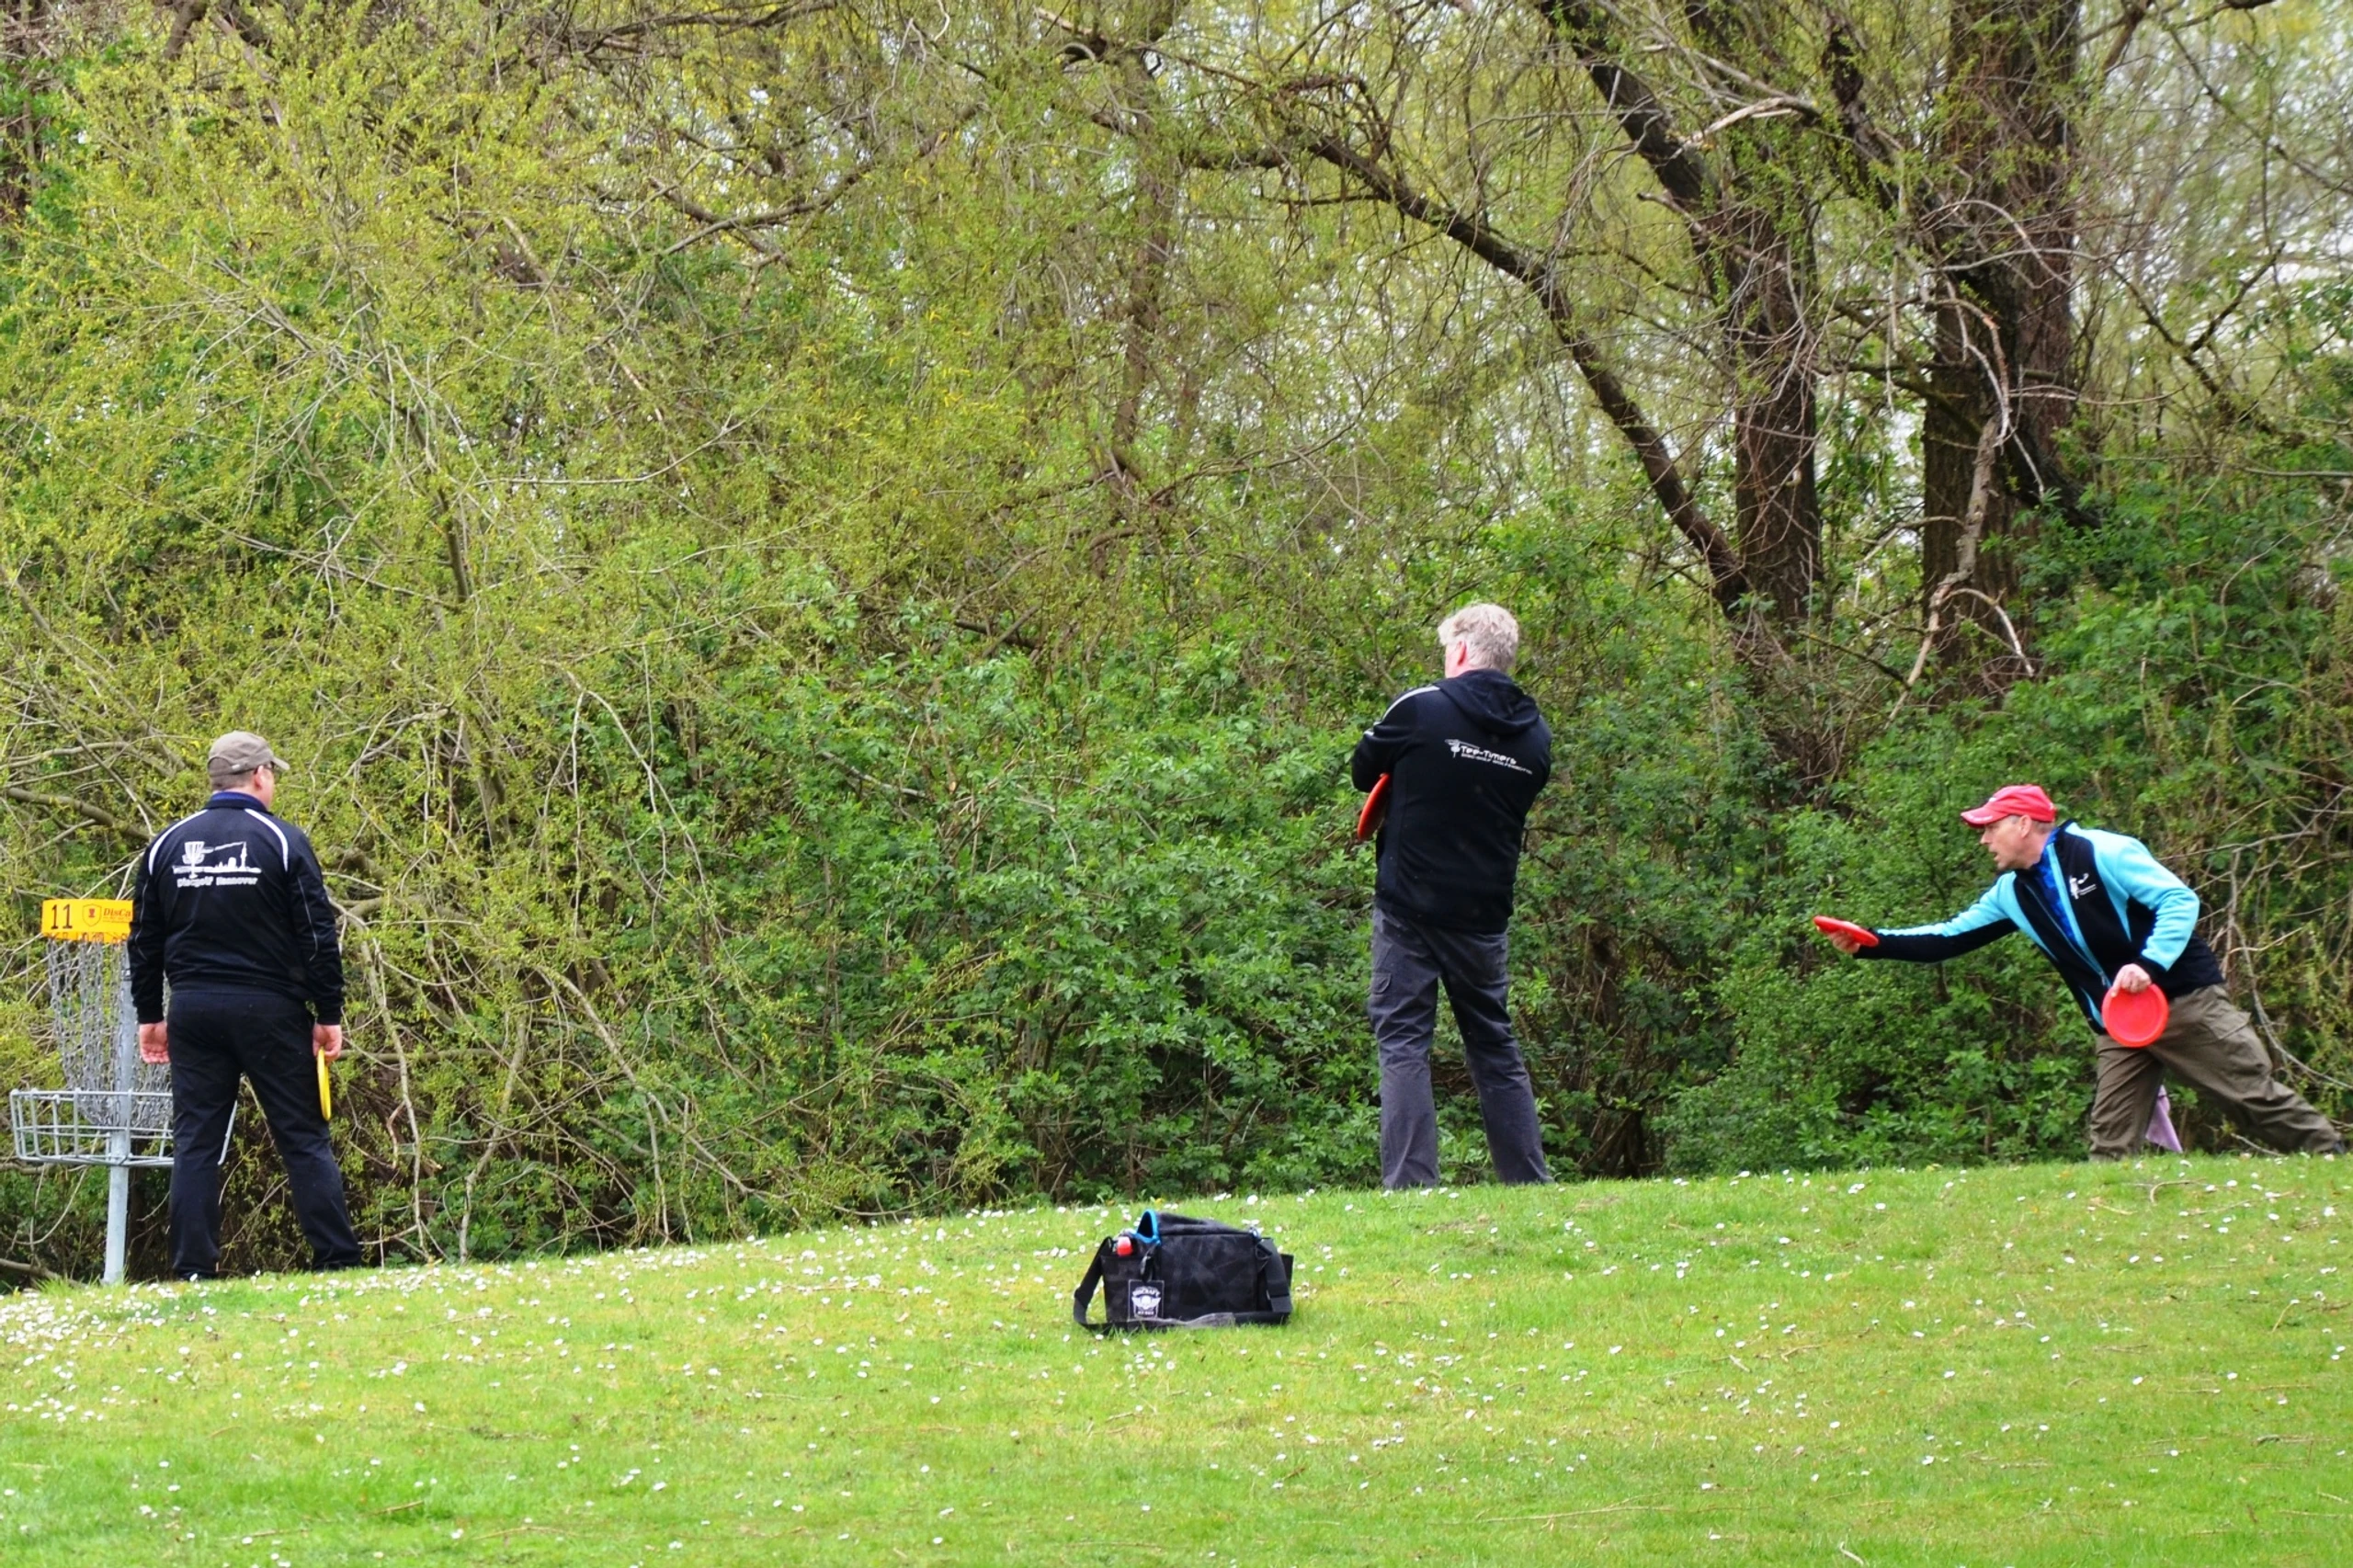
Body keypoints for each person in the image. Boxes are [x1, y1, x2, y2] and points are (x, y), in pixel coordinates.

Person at [1819, 783, 2344, 1160]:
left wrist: (2147, 964)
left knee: (2253, 1101)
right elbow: (1946, 938)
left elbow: (2179, 901)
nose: (1983, 839)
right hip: (2117, 1024)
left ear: (2024, 824)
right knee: (2109, 1138)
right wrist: (1872, 943)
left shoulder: (2104, 850)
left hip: (2183, 1002)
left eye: (1990, 827)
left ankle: (2334, 1165)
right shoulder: (2011, 893)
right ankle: (2106, 1229)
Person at [127, 732, 362, 1278]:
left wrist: (150, 1015)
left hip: (193, 1011)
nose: (273, 781)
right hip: (270, 1010)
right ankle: (336, 1261)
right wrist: (328, 1014)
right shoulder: (281, 841)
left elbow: (143, 940)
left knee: (195, 1143)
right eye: (272, 773)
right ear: (259, 776)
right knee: (303, 1136)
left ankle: (191, 1270)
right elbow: (317, 936)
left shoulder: (167, 844)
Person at [1352, 603, 1553, 1187]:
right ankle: (1528, 1182)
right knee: (1493, 1043)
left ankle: (1413, 1187)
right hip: (1484, 917)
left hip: (1409, 908)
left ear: (1461, 650)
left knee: (1403, 1039)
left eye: (1447, 650)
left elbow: (1364, 769)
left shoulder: (1422, 708)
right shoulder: (1536, 738)